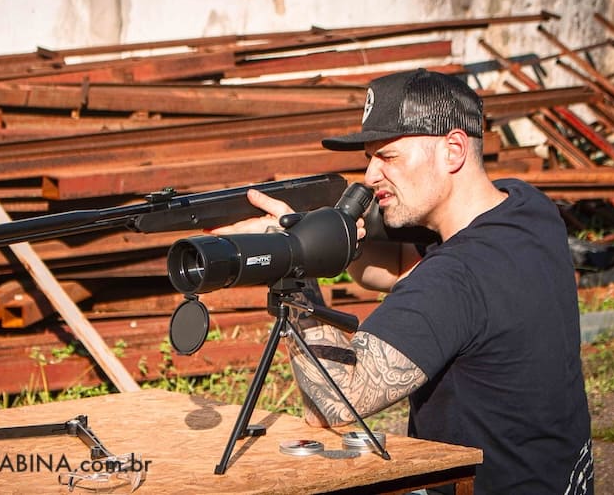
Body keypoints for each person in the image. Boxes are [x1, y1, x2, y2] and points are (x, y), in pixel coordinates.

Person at [212, 69, 594, 494]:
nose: (371, 176)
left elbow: (337, 404)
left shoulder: (457, 276)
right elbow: (394, 267)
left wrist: (292, 259)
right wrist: (335, 237)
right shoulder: (526, 207)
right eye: (369, 159)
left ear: (453, 150)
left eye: (388, 157)